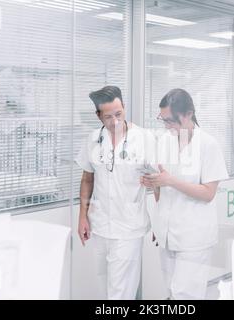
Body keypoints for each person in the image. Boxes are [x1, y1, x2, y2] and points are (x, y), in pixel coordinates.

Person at [141, 88, 229, 300]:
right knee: (171, 290)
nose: (167, 126)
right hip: (167, 234)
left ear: (189, 114)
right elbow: (160, 186)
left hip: (194, 236)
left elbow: (208, 193)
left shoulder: (208, 145)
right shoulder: (164, 141)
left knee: (185, 294)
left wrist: (170, 180)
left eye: (171, 120)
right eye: (163, 120)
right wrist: (154, 188)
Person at [75, 85, 155, 300]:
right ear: (98, 115)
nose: (115, 121)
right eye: (108, 117)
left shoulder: (144, 138)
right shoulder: (93, 139)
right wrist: (82, 216)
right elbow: (87, 178)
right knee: (104, 289)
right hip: (99, 225)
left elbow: (159, 182)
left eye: (119, 114)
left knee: (120, 294)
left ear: (124, 108)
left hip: (129, 227)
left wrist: (161, 221)